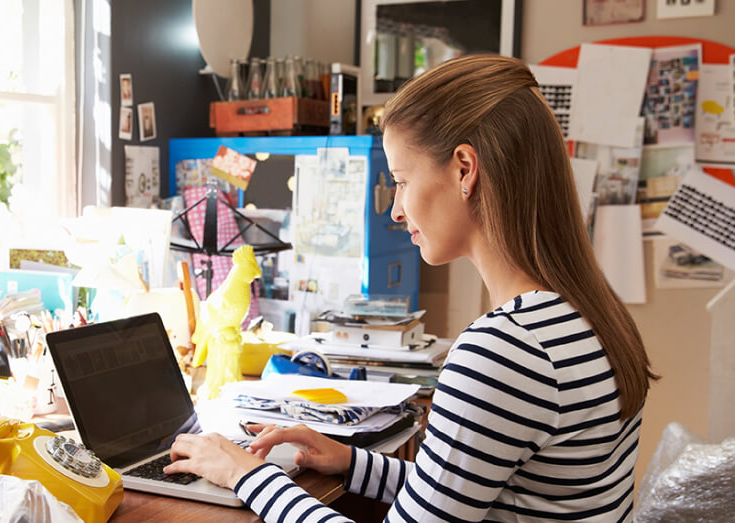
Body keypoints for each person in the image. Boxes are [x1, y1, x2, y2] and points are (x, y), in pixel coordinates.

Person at [163, 54, 658, 522]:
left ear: (465, 169)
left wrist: (247, 476)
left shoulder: (505, 351)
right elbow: (471, 491)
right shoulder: (588, 315)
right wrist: (353, 462)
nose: (396, 210)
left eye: (400, 180)